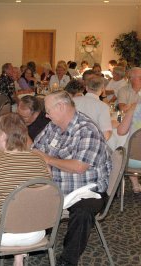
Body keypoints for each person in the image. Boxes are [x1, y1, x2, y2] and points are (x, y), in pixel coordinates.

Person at [32, 91, 111, 266]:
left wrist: (49, 160)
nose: (46, 114)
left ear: (61, 107)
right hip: (55, 185)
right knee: (22, 192)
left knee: (83, 212)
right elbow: (35, 150)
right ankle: (27, 242)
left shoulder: (87, 130)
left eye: (48, 110)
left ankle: (68, 261)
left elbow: (79, 167)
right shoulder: (53, 126)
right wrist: (45, 164)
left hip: (86, 190)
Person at [0, 113, 50, 266]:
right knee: (24, 209)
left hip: (1, 235)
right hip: (36, 231)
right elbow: (45, 196)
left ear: (3, 136)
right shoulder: (40, 161)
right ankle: (18, 260)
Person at [73, 76, 112, 140]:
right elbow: (106, 135)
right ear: (102, 89)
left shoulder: (73, 101)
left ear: (86, 88)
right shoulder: (103, 107)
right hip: (90, 142)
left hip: (71, 140)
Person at [117, 102, 141, 193]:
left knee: (127, 149)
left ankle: (135, 184)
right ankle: (135, 184)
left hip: (131, 160)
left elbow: (121, 131)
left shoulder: (135, 107)